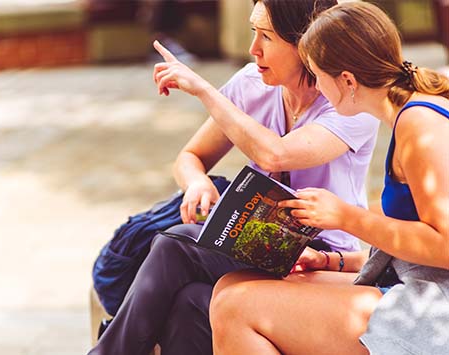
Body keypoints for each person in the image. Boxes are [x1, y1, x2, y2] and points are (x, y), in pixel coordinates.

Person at [88, 0, 379, 354]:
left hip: (320, 254)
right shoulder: (251, 83)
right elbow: (190, 157)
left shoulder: (350, 103)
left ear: (307, 42)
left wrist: (204, 90)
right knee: (189, 300)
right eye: (253, 32)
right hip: (251, 238)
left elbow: (275, 153)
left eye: (266, 37)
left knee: (176, 244)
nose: (253, 48)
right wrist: (197, 183)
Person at [210, 2, 449, 354]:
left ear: (348, 81)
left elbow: (444, 246)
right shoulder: (410, 115)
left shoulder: (420, 125)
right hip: (416, 285)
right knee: (232, 285)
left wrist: (346, 217)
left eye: (318, 74)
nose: (317, 87)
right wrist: (331, 261)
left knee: (236, 308)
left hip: (432, 310)